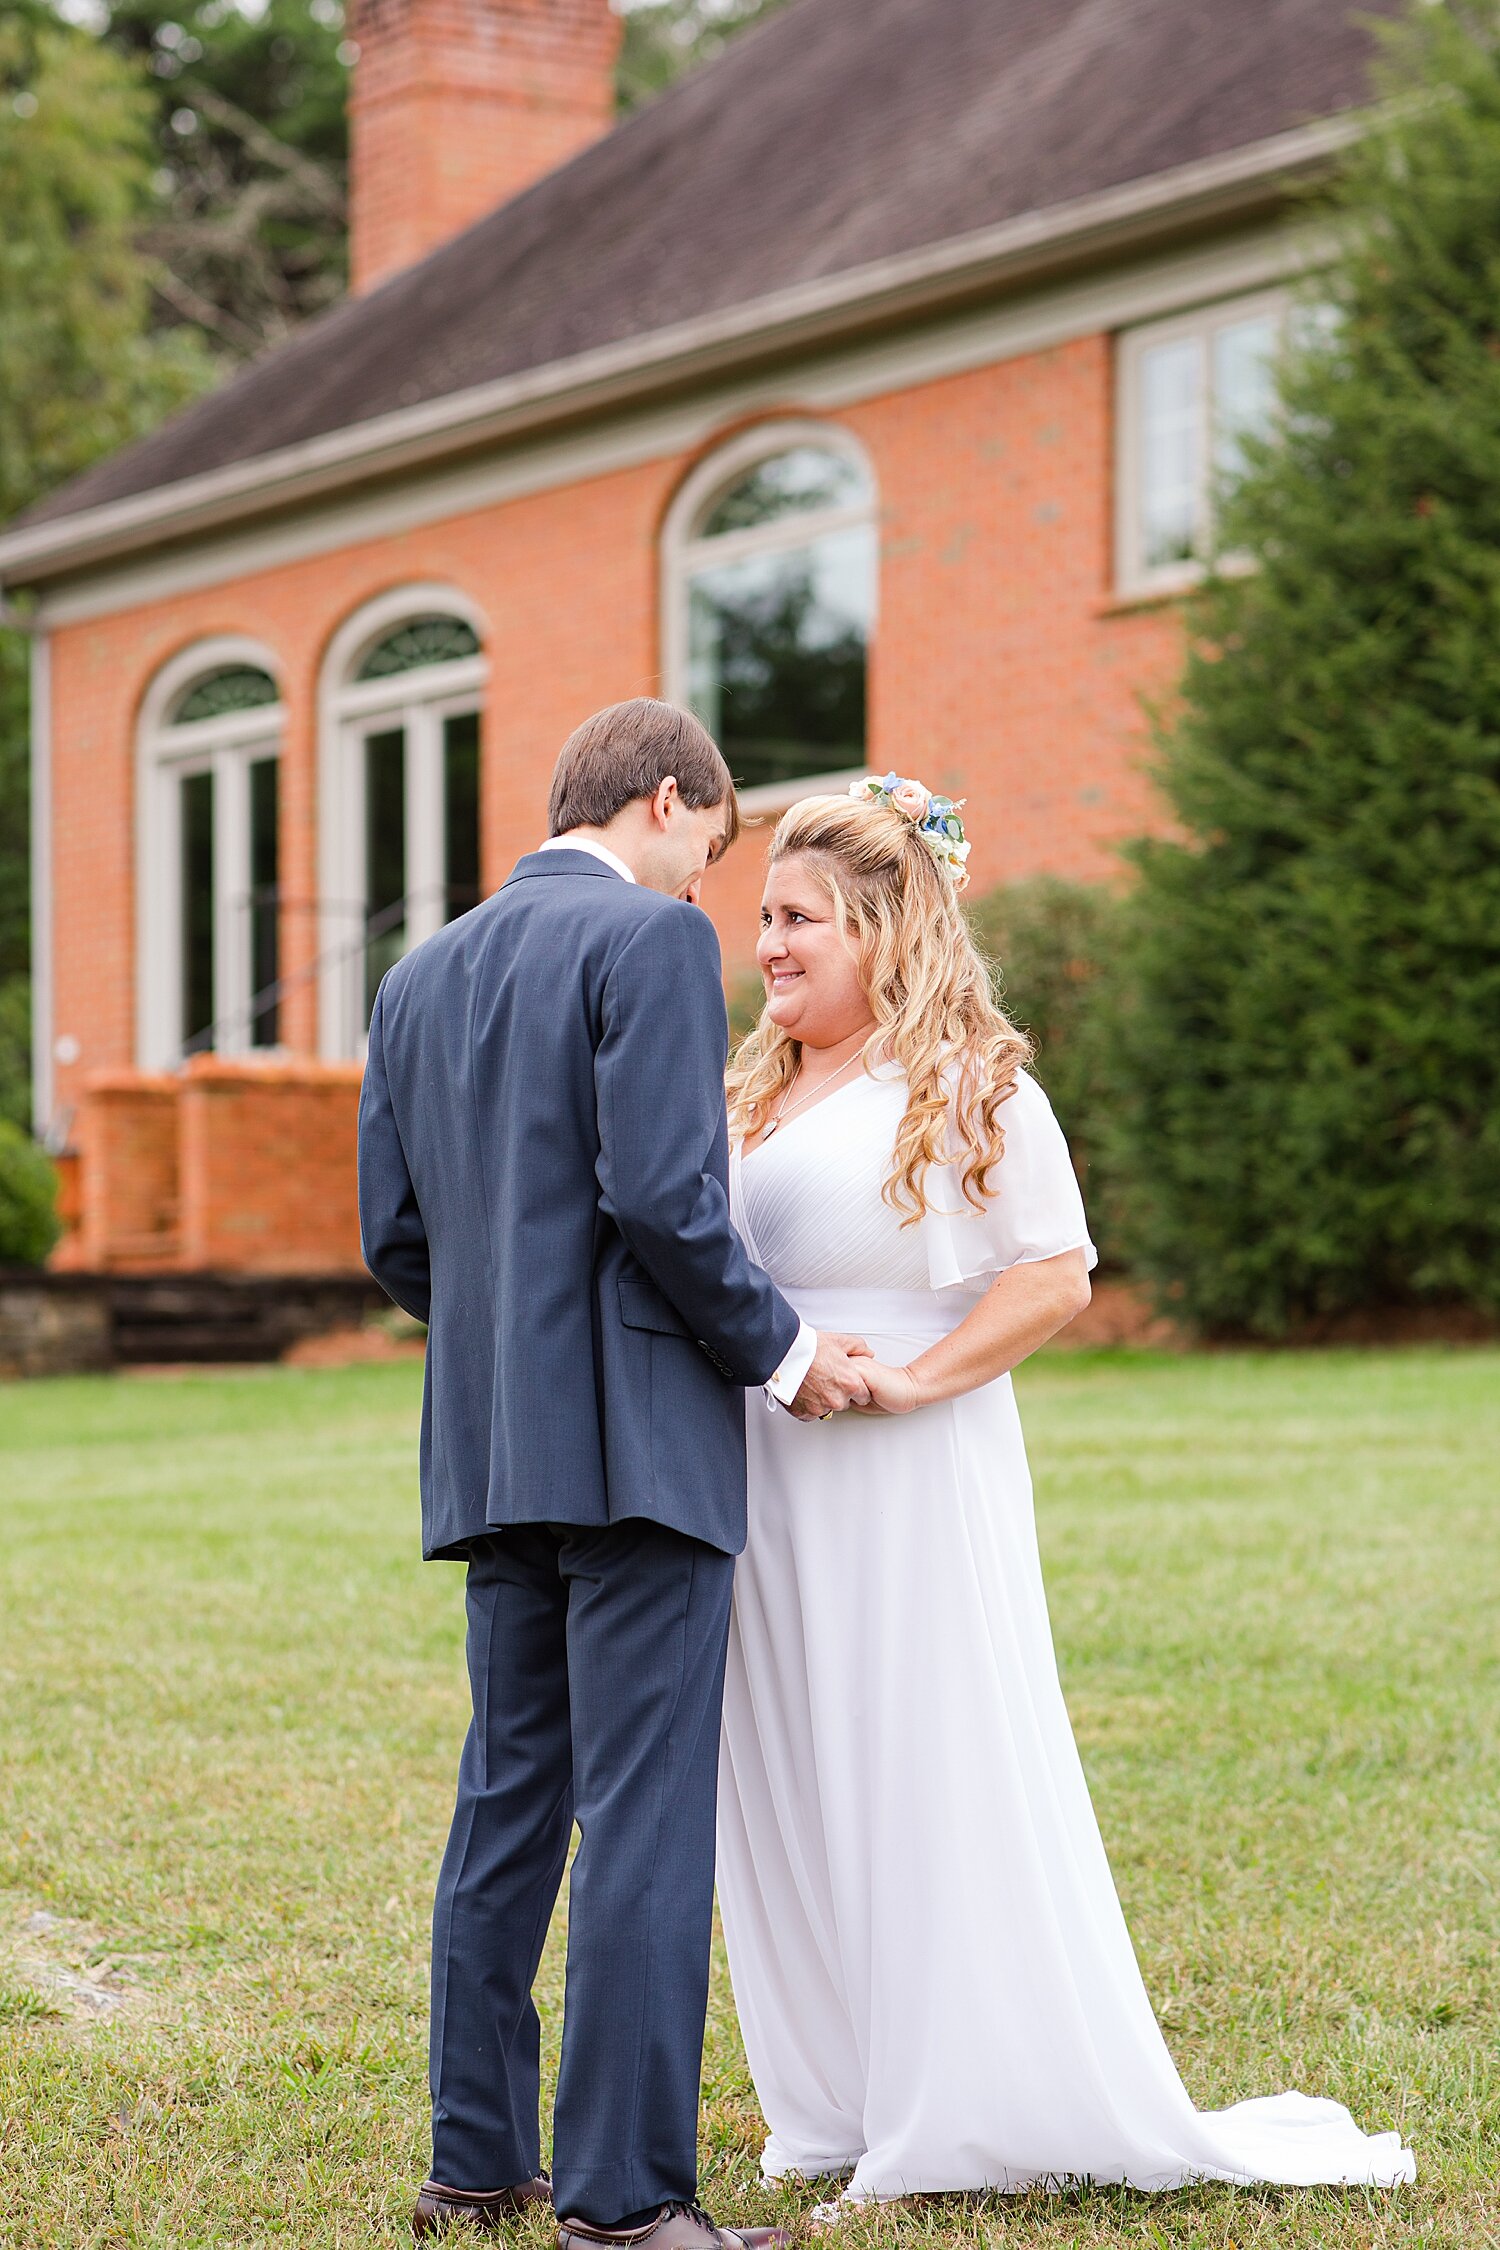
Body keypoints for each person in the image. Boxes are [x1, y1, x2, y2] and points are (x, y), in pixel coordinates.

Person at [715, 778, 1416, 2214]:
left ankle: (945, 2102)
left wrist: (917, 1383)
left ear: (883, 924)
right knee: (789, 1767)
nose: (768, 945)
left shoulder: (977, 1082)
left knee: (909, 1757)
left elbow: (1053, 1272)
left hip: (904, 1468)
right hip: (767, 1465)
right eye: (764, 917)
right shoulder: (758, 1081)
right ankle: (835, 2090)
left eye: (796, 918)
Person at [357, 700, 874, 2246]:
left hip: (491, 1450)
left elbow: (396, 1237)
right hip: (643, 1450)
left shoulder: (415, 974)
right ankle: (631, 2202)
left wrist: (515, 1337)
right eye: (709, 858)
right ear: (665, 801)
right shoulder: (645, 945)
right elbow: (661, 1190)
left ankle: (474, 2162)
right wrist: (779, 1353)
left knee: (510, 1797)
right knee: (647, 1815)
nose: (705, 897)